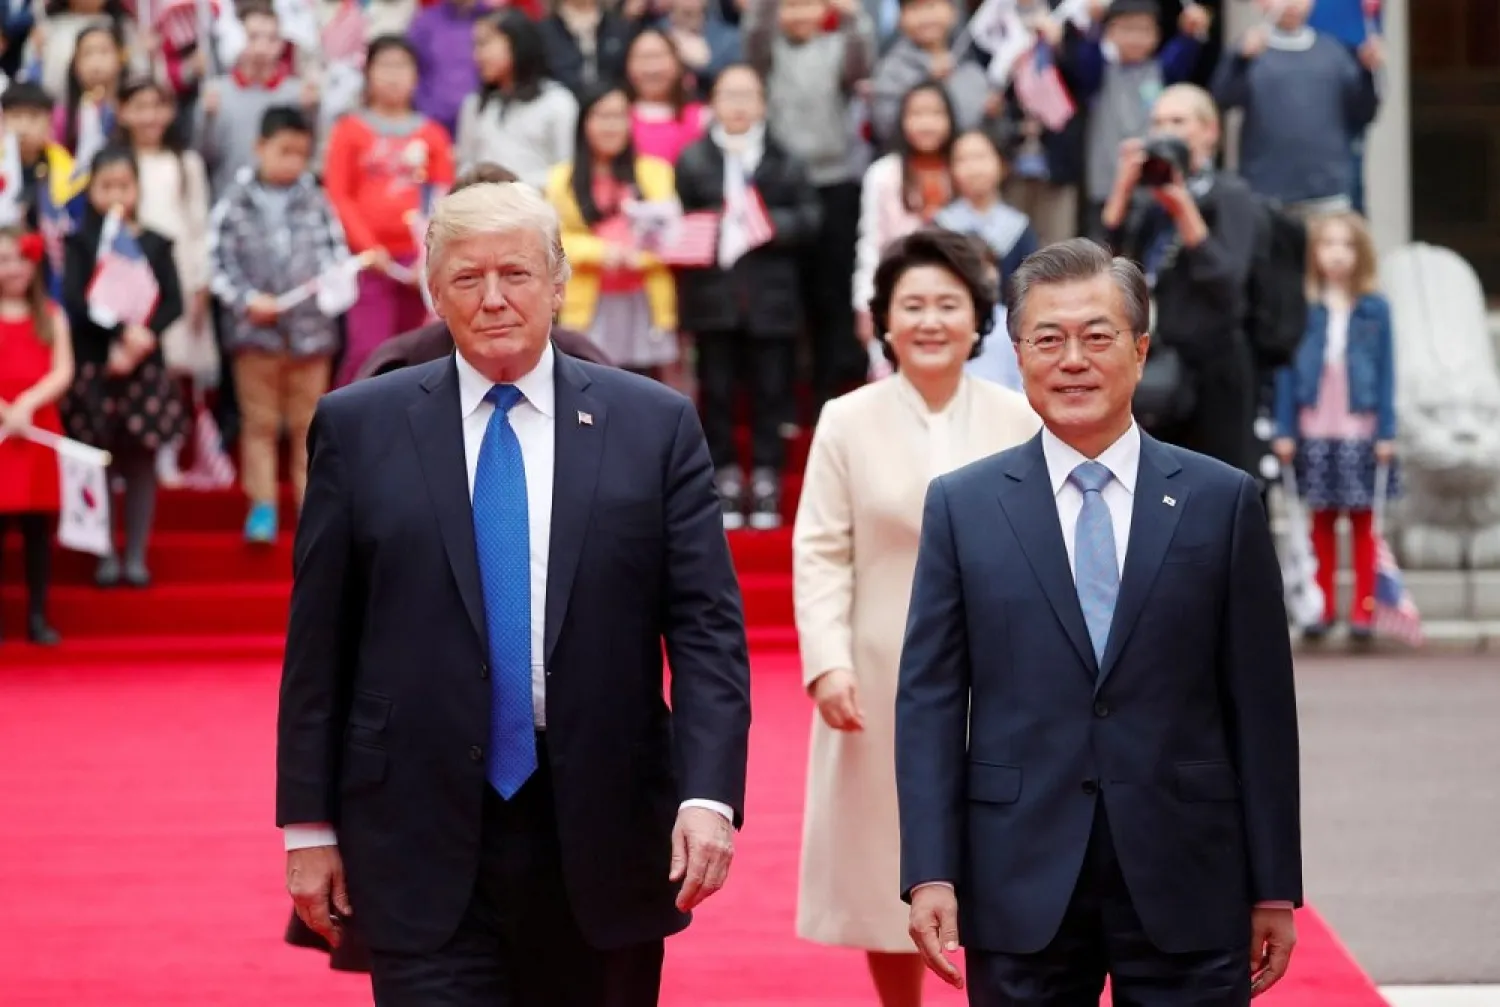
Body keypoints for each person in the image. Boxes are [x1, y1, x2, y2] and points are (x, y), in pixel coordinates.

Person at [276, 180, 753, 1007]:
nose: (494, 298)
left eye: (516, 273)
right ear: (434, 290)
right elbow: (320, 642)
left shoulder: (654, 425)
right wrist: (308, 825)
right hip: (416, 829)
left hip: (604, 828)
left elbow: (708, 633)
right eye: (467, 277)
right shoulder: (359, 427)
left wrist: (709, 796)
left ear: (560, 281)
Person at [896, 238, 1303, 1005]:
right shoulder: (965, 506)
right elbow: (931, 701)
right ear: (1018, 354)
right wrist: (929, 868)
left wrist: (1274, 883)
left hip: (1188, 869)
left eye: (1097, 335)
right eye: (1048, 339)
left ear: (1140, 351)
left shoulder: (1222, 502)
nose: (1072, 359)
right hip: (1019, 873)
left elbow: (1261, 708)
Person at [793, 227, 1038, 1007]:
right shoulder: (847, 419)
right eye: (912, 306)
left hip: (1010, 672)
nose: (930, 321)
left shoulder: (1020, 416)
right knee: (884, 859)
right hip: (880, 674)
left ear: (978, 321)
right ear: (885, 322)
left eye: (947, 304)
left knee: (1010, 845)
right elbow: (822, 552)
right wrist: (827, 660)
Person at [1273, 211, 1397, 643]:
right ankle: (1321, 606)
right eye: (1328, 245)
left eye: (1346, 245)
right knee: (1321, 520)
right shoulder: (1305, 308)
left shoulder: (1375, 308)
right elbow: (1286, 372)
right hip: (1314, 425)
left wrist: (1387, 431)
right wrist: (1283, 428)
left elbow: (1386, 374)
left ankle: (1363, 610)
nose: (1337, 255)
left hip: (1360, 426)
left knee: (1363, 520)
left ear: (1360, 253)